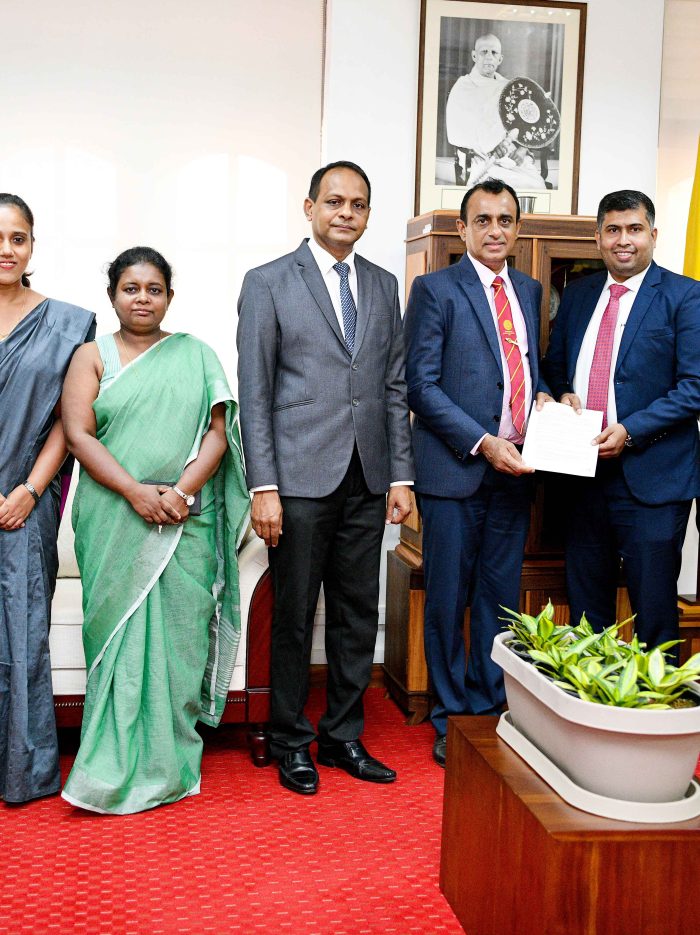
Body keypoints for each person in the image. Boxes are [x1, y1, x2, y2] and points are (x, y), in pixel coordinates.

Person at [237, 161, 414, 795]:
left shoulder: (383, 284)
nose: (346, 213)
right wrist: (263, 486)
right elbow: (255, 392)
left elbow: (393, 386)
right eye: (334, 201)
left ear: (368, 215)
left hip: (368, 475)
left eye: (358, 204)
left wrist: (401, 475)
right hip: (297, 478)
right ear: (309, 207)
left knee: (356, 612)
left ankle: (342, 735)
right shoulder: (268, 282)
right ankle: (290, 739)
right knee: (292, 615)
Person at [60, 247, 249, 814]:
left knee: (177, 644)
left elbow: (218, 432)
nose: (142, 298)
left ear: (169, 296)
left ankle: (168, 763)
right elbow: (79, 434)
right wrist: (135, 492)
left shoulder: (196, 354)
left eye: (154, 289)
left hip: (183, 516)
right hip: (113, 514)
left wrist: (181, 492)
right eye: (131, 288)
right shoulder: (91, 356)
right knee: (116, 638)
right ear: (112, 295)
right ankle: (107, 767)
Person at [404, 180, 550, 768]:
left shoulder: (530, 289)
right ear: (462, 229)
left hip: (515, 472)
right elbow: (421, 385)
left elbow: (524, 371)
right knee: (447, 597)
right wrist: (483, 442)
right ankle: (450, 714)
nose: (495, 230)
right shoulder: (435, 289)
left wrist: (545, 398)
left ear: (517, 229)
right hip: (455, 469)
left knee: (498, 596)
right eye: (483, 220)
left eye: (505, 220)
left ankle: (488, 706)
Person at [541, 190, 700, 656]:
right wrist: (562, 391)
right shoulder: (579, 294)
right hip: (581, 476)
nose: (623, 240)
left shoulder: (685, 296)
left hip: (653, 481)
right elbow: (554, 367)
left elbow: (694, 387)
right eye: (613, 230)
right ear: (598, 238)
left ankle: (657, 703)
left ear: (653, 234)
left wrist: (630, 430)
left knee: (655, 614)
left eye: (634, 229)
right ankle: (590, 700)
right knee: (587, 616)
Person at [0, 192, 95, 804]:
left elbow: (69, 418)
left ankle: (21, 771)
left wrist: (30, 489)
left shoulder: (67, 323)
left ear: (33, 245)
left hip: (26, 501)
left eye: (17, 238)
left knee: (22, 631)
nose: (6, 250)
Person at [445, 33, 546, 191]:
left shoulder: (509, 88)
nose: (489, 57)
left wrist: (522, 150)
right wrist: (492, 145)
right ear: (474, 56)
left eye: (494, 53)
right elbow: (460, 128)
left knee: (537, 186)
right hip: (481, 157)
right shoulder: (464, 86)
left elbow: (525, 124)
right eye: (484, 52)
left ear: (500, 59)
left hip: (511, 155)